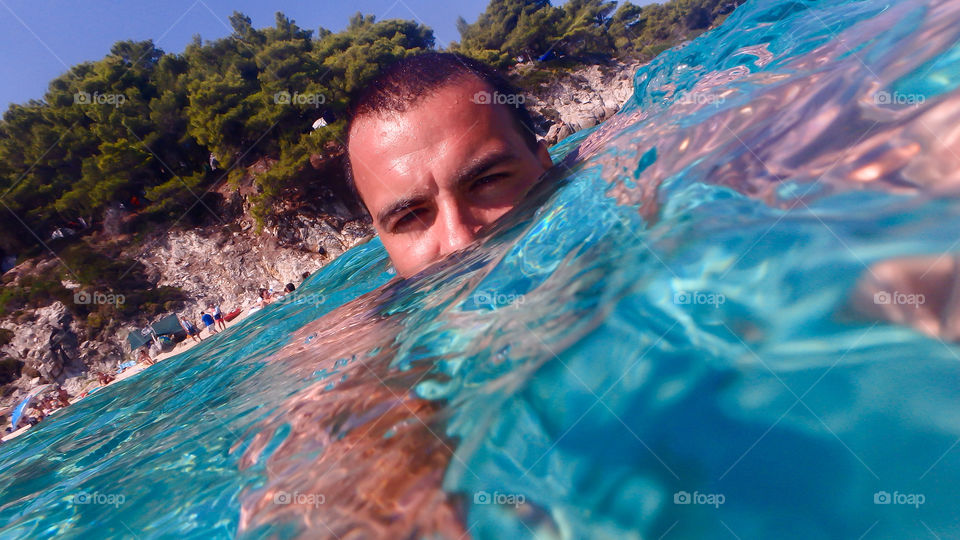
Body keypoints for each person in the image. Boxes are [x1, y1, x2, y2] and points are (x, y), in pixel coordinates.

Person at [345, 52, 554, 278]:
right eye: (408, 217)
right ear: (383, 241)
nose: (460, 243)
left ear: (546, 164)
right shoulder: (380, 312)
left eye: (487, 181)